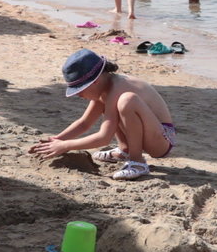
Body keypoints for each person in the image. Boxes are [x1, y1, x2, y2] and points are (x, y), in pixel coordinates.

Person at [29, 49, 176, 180]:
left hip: (162, 140)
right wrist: (55, 140)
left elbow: (104, 137)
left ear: (95, 81)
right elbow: (84, 123)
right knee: (115, 106)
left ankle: (137, 162)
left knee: (127, 100)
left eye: (80, 89)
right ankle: (125, 150)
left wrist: (66, 145)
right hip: (151, 134)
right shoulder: (104, 90)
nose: (79, 95)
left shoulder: (118, 87)